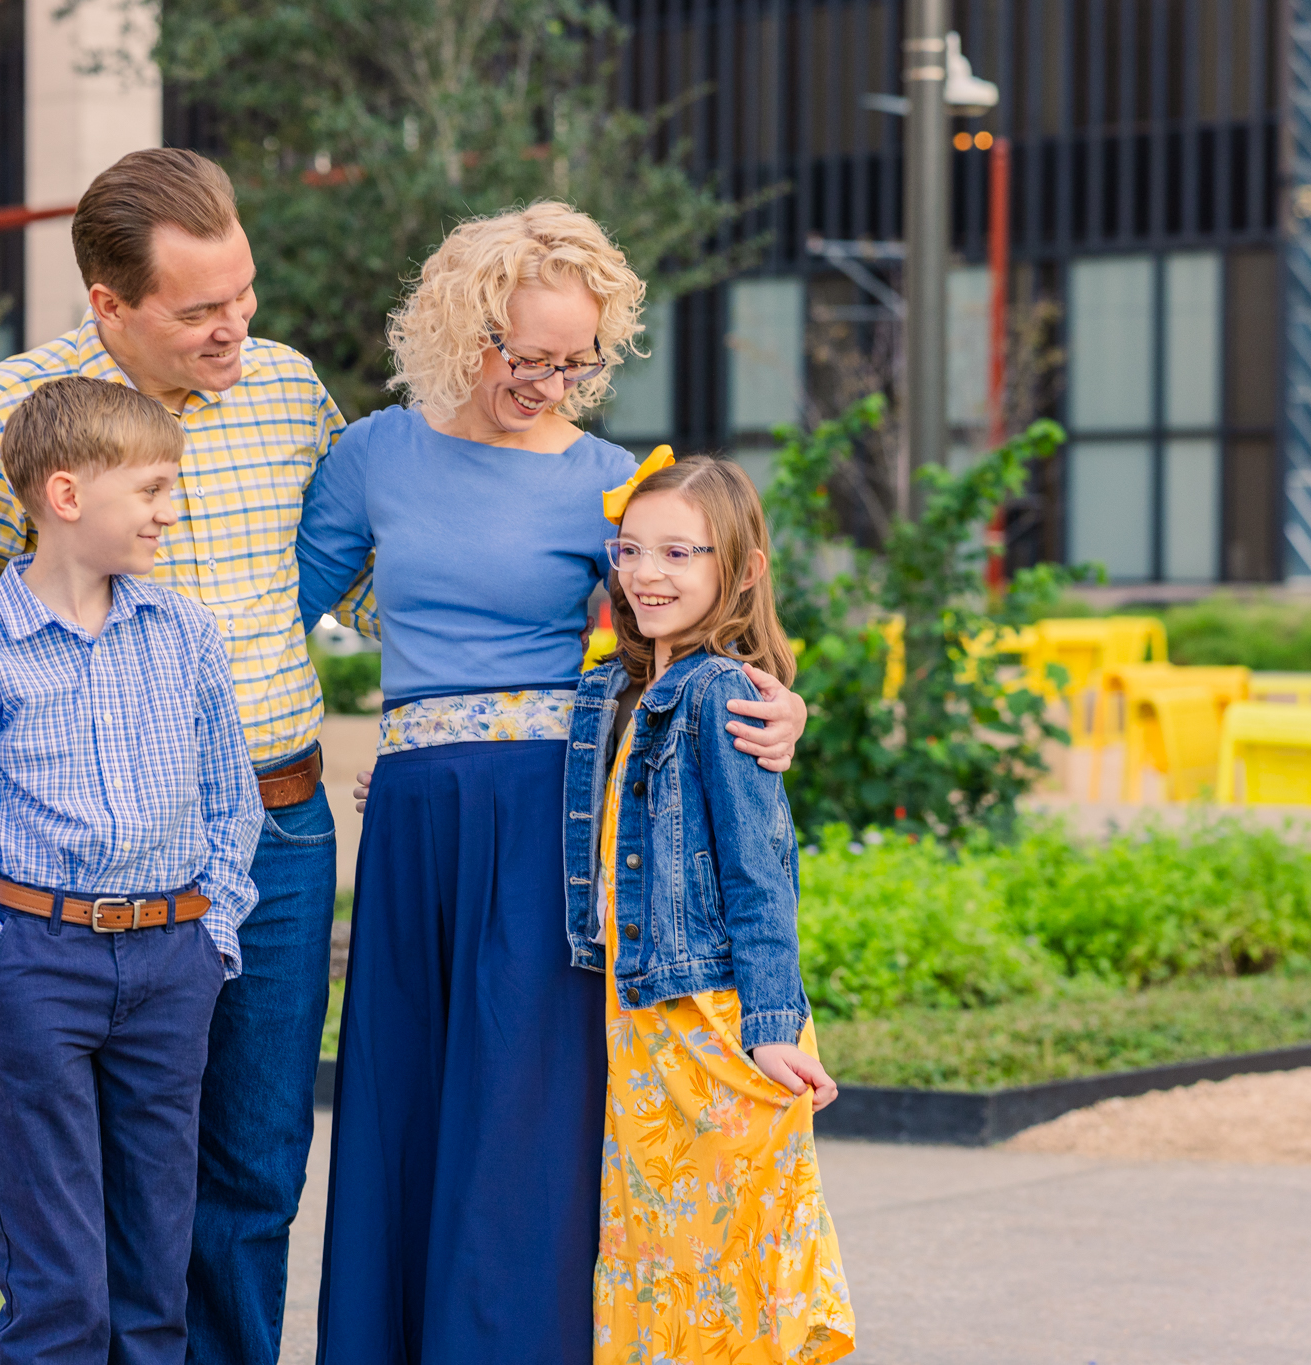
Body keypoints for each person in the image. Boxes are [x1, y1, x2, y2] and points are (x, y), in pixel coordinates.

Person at [294, 202, 809, 1365]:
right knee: (401, 1101)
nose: (551, 381)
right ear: (460, 327)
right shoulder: (374, 454)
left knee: (519, 1118)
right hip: (417, 818)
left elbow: (685, 631)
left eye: (576, 359)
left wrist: (780, 700)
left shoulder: (615, 483)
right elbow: (274, 621)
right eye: (527, 355)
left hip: (557, 822)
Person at [0, 149, 360, 1365]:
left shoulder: (292, 392)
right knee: (94, 1185)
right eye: (198, 310)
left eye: (242, 292)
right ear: (109, 305)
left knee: (250, 1167)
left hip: (274, 829)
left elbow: (377, 578)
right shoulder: (16, 408)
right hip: (86, 878)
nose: (233, 327)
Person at [0, 377, 264, 1365]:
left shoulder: (185, 635)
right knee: (58, 1278)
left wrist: (212, 932)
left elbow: (233, 799)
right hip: (39, 966)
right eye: (149, 490)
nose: (167, 510)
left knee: (155, 1262)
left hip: (172, 963)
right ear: (65, 496)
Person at [573, 452, 855, 1364]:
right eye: (631, 550)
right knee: (661, 1264)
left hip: (715, 1030)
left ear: (739, 571)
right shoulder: (627, 689)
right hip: (646, 1029)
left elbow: (761, 871)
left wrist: (775, 1023)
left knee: (721, 1275)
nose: (646, 574)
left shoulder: (721, 693)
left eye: (679, 554)